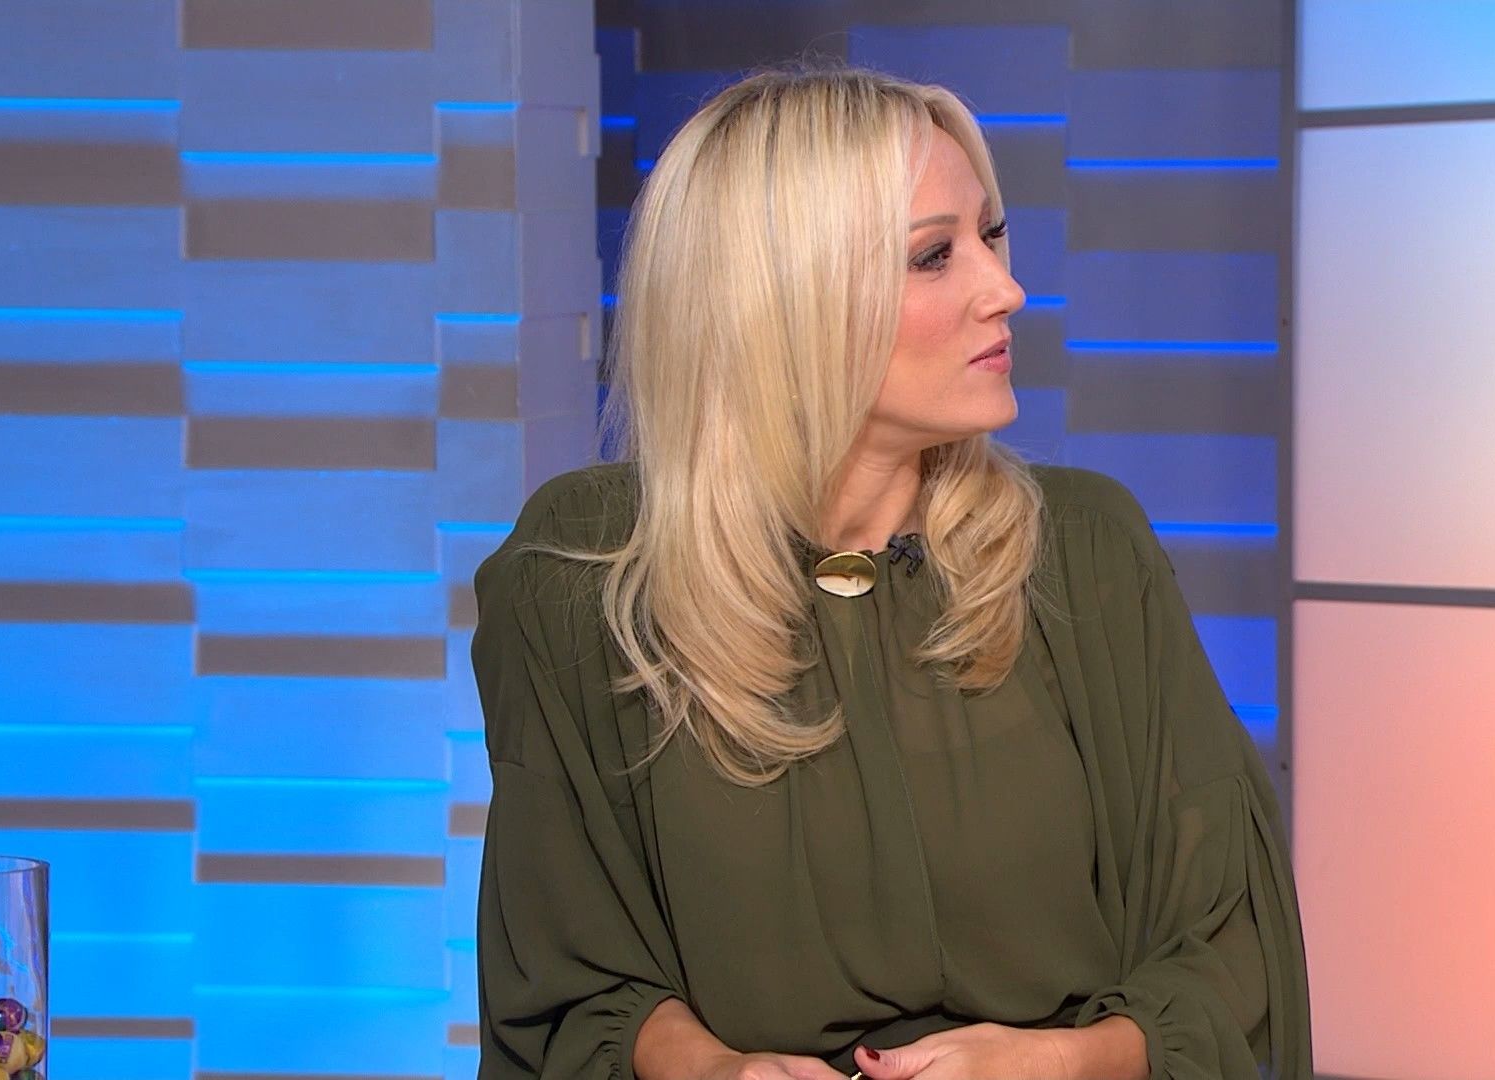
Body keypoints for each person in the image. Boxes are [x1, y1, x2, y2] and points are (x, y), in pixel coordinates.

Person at [469, 59, 1312, 1080]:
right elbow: (564, 972)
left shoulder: (1088, 551)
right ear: (782, 297)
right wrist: (714, 1069)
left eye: (991, 236)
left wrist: (1060, 1063)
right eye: (934, 255)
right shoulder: (582, 574)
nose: (1007, 289)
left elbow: (1228, 950)